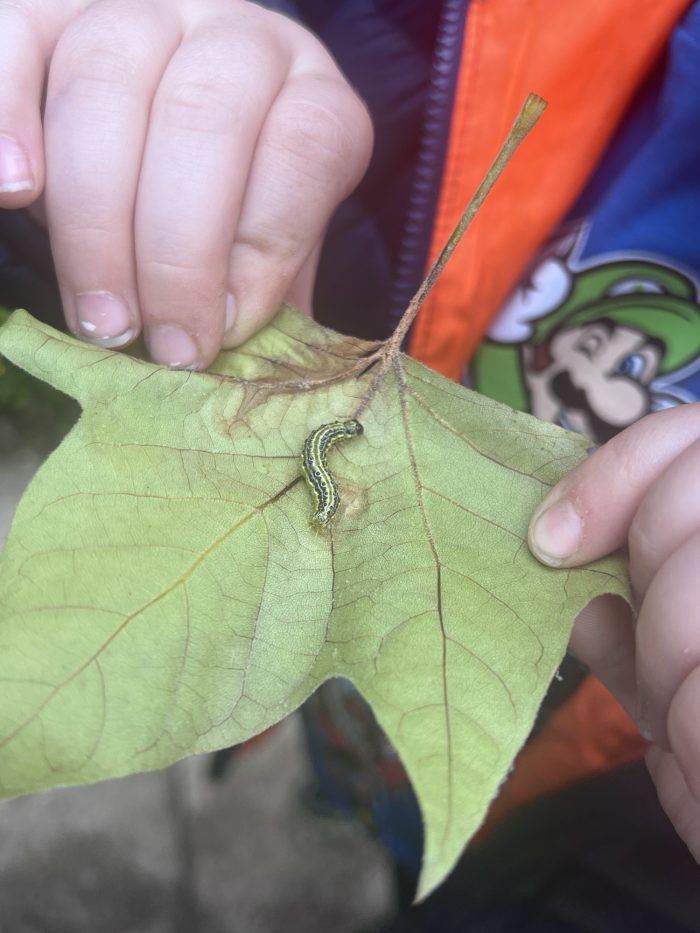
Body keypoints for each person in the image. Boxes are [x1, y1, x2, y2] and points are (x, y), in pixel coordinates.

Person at [1, 0, 700, 925]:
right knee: (357, 750)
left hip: (583, 783)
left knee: (432, 790)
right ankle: (346, 792)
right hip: (388, 705)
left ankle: (389, 822)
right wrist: (181, 91)